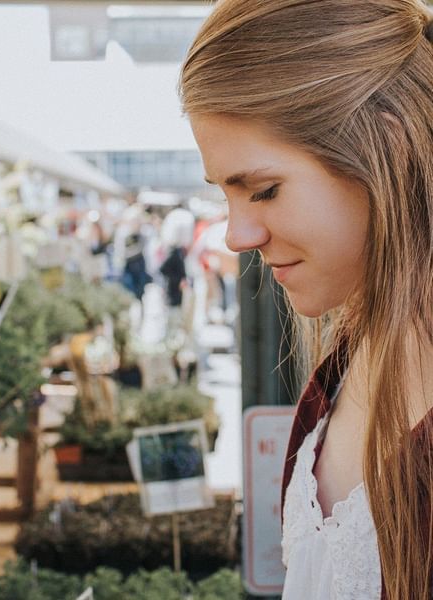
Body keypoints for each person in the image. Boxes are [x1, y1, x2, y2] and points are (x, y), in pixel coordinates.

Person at [181, 1, 433, 598]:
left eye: (264, 190)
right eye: (225, 196)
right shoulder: (350, 352)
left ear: (390, 146)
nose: (236, 236)